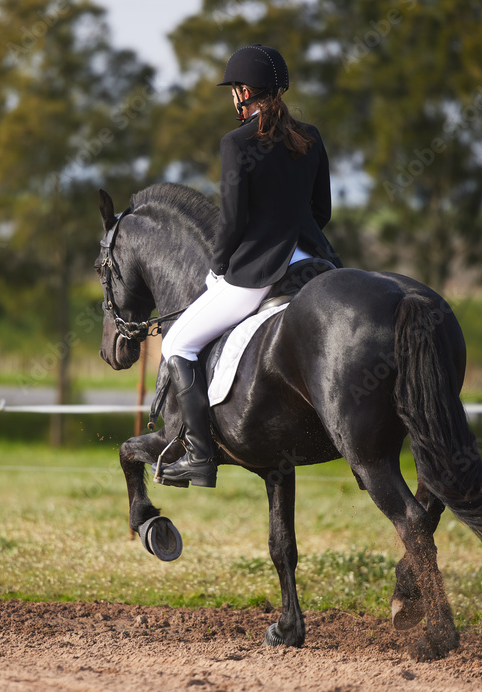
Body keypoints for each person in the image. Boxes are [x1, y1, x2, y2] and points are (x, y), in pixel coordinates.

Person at [158, 44, 341, 489]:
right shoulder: (311, 137)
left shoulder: (237, 142)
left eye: (233, 90)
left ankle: (199, 457)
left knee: (177, 345)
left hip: (260, 271)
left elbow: (234, 220)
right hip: (317, 263)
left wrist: (218, 269)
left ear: (243, 92)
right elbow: (322, 211)